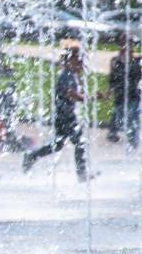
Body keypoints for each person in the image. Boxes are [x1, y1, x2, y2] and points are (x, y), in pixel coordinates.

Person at [22, 42, 92, 181]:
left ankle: (32, 156)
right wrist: (91, 97)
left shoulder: (71, 74)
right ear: (72, 59)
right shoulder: (66, 75)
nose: (82, 62)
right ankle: (82, 174)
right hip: (64, 116)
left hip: (66, 115)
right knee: (79, 141)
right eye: (79, 58)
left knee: (58, 145)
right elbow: (70, 94)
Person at [107, 40, 142, 148]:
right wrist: (108, 91)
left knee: (132, 119)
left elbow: (140, 79)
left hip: (133, 96)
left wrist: (139, 89)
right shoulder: (117, 63)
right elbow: (112, 79)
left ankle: (133, 142)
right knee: (120, 120)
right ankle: (119, 133)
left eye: (130, 50)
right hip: (120, 96)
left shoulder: (135, 64)